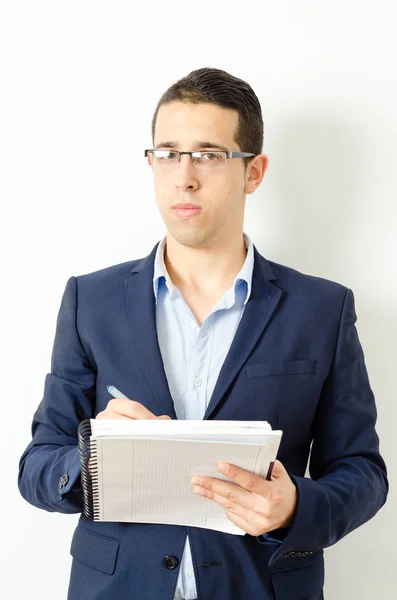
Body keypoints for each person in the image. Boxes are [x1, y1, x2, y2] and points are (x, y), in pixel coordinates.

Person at [18, 67, 388, 600]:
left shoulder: (322, 309)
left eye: (209, 155)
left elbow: (362, 472)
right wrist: (91, 457)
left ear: (254, 172)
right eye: (167, 153)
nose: (183, 177)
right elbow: (38, 465)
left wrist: (295, 507)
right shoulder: (90, 301)